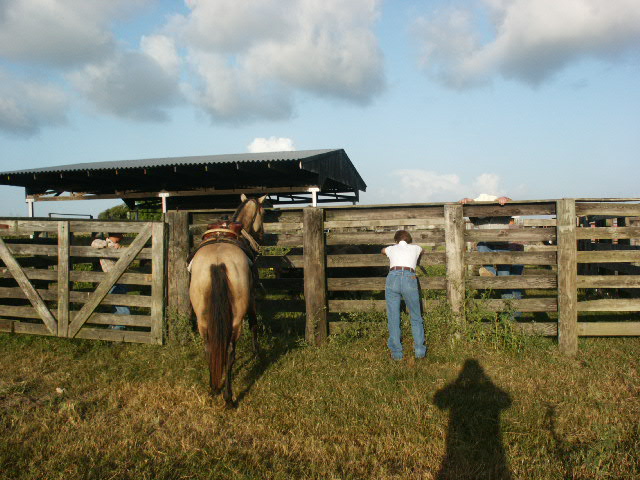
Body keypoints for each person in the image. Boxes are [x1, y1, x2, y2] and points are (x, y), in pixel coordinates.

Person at [459, 195, 524, 303]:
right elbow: (466, 210)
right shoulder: (477, 218)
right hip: (499, 246)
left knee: (507, 280)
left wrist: (506, 199)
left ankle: (512, 313)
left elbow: (513, 205)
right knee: (505, 279)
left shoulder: (503, 212)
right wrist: (467, 202)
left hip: (507, 247)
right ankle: (490, 270)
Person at [382, 230, 427, 360]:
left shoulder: (391, 249)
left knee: (393, 315)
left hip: (393, 277)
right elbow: (423, 251)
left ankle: (397, 353)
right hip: (409, 277)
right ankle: (419, 351)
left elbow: (382, 250)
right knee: (416, 315)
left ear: (396, 240)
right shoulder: (416, 248)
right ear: (409, 240)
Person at [91, 232, 129, 329]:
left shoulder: (119, 246)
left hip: (118, 279)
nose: (122, 236)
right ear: (116, 235)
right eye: (120, 234)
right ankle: (117, 331)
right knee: (123, 309)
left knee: (119, 306)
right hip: (112, 280)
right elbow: (94, 243)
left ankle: (112, 329)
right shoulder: (103, 243)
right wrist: (110, 245)